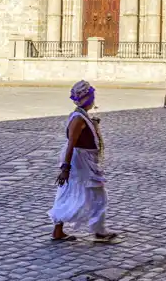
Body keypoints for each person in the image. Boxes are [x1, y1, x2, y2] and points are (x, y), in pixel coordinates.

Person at [49, 80, 118, 243]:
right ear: (87, 98)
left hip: (82, 160)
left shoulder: (82, 116)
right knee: (98, 194)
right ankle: (99, 231)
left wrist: (93, 125)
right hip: (80, 162)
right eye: (92, 97)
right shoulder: (78, 118)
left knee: (68, 192)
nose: (94, 101)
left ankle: (58, 231)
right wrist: (66, 167)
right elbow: (72, 143)